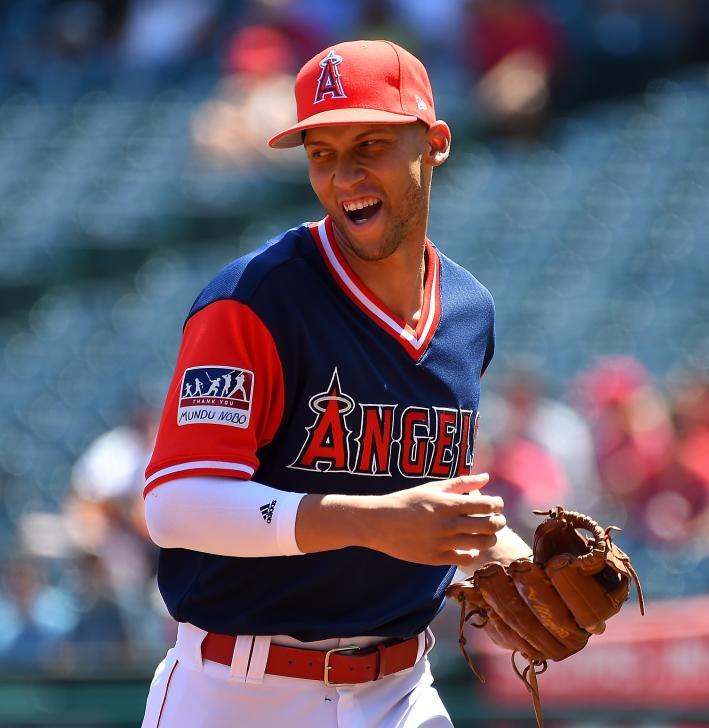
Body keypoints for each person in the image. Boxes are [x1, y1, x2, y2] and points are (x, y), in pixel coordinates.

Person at [139, 39, 532, 727]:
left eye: (370, 144)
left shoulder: (469, 312)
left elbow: (431, 499)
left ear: (435, 143)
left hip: (399, 690)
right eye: (321, 152)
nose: (345, 174)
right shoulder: (254, 298)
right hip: (239, 691)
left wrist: (514, 562)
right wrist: (367, 522)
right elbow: (177, 504)